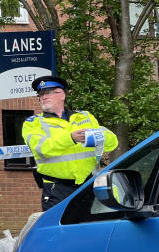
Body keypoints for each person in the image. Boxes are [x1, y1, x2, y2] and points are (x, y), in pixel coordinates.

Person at [22, 75, 118, 210]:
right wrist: (71, 138)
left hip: (88, 185)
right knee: (61, 231)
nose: (43, 97)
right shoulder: (34, 123)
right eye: (41, 94)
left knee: (90, 229)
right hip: (56, 189)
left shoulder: (84, 117)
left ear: (61, 94)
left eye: (48, 93)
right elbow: (40, 149)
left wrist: (93, 137)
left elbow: (112, 142)